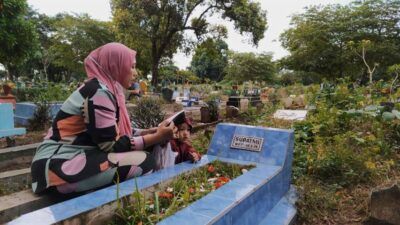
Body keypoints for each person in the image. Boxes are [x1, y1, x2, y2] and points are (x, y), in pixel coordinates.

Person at [30, 43, 174, 195]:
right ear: (115, 65)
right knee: (145, 161)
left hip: (75, 156)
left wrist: (147, 132)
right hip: (58, 163)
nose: (135, 73)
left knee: (144, 153)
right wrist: (156, 137)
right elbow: (111, 146)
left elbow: (111, 132)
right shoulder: (99, 93)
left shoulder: (107, 90)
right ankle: (65, 186)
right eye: (131, 66)